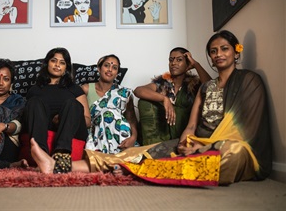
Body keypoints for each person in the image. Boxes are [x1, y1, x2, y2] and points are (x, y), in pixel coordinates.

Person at [29, 30, 272, 186]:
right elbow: (187, 124)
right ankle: (59, 165)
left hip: (226, 146)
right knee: (136, 153)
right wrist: (167, 105)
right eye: (214, 51)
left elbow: (245, 131)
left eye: (224, 49)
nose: (219, 54)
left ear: (236, 51)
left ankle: (144, 169)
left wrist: (194, 64)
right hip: (192, 139)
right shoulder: (178, 85)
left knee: (232, 151)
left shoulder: (234, 82)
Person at [22, 47, 91, 173]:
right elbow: (30, 117)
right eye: (54, 60)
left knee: (72, 104)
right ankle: (41, 154)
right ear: (47, 63)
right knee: (34, 102)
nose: (57, 65)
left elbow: (87, 121)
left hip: (71, 129)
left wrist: (63, 118)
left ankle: (61, 154)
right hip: (43, 128)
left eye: (62, 62)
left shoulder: (74, 89)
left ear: (66, 68)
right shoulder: (35, 89)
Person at [134, 47, 211, 145]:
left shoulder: (194, 85)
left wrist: (196, 64)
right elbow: (138, 91)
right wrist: (164, 99)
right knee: (144, 102)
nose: (173, 63)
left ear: (187, 64)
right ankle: (152, 145)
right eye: (171, 60)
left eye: (179, 60)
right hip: (163, 133)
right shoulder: (163, 83)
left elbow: (211, 88)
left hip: (185, 130)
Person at [81, 54, 138, 154]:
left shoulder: (124, 93)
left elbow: (131, 119)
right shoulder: (86, 89)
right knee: (107, 112)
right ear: (99, 68)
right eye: (106, 65)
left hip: (121, 134)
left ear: (117, 73)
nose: (110, 69)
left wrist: (133, 137)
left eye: (114, 68)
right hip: (96, 134)